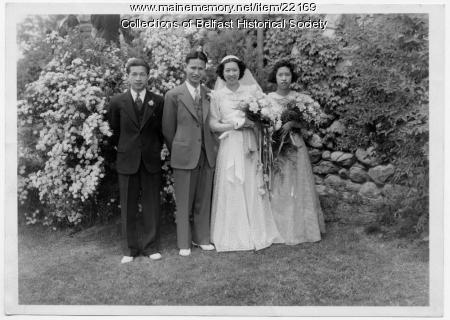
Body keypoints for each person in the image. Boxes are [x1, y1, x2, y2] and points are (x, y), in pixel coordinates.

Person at [209, 55, 283, 252]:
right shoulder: (217, 96)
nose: (231, 73)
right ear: (222, 74)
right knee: (233, 183)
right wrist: (235, 124)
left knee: (251, 182)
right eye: (227, 70)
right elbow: (213, 124)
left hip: (250, 143)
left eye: (234, 70)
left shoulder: (251, 92)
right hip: (230, 143)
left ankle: (256, 230)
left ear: (240, 71)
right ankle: (233, 233)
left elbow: (265, 114)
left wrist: (255, 122)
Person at [108, 58, 164, 263]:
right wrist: (125, 149)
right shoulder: (116, 102)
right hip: (127, 160)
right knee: (128, 206)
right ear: (128, 76)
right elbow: (113, 132)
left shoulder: (158, 101)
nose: (138, 78)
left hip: (150, 159)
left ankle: (150, 247)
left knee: (151, 205)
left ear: (148, 76)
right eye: (134, 74)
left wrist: (153, 149)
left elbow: (160, 132)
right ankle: (129, 249)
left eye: (142, 74)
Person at [162, 51, 218, 257]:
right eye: (193, 68)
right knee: (184, 200)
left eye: (200, 68)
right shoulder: (173, 95)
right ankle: (184, 242)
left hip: (206, 154)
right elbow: (168, 130)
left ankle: (202, 237)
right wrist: (180, 147)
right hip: (184, 155)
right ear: (185, 67)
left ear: (205, 70)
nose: (196, 72)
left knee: (203, 198)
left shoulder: (210, 94)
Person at [267, 60, 326, 244]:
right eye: (280, 75)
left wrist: (293, 123)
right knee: (280, 182)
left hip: (296, 144)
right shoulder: (267, 99)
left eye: (287, 75)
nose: (284, 78)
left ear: (291, 77)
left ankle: (302, 227)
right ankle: (278, 228)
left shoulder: (300, 99)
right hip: (278, 146)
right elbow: (265, 122)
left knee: (299, 183)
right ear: (275, 77)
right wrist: (274, 129)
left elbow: (309, 122)